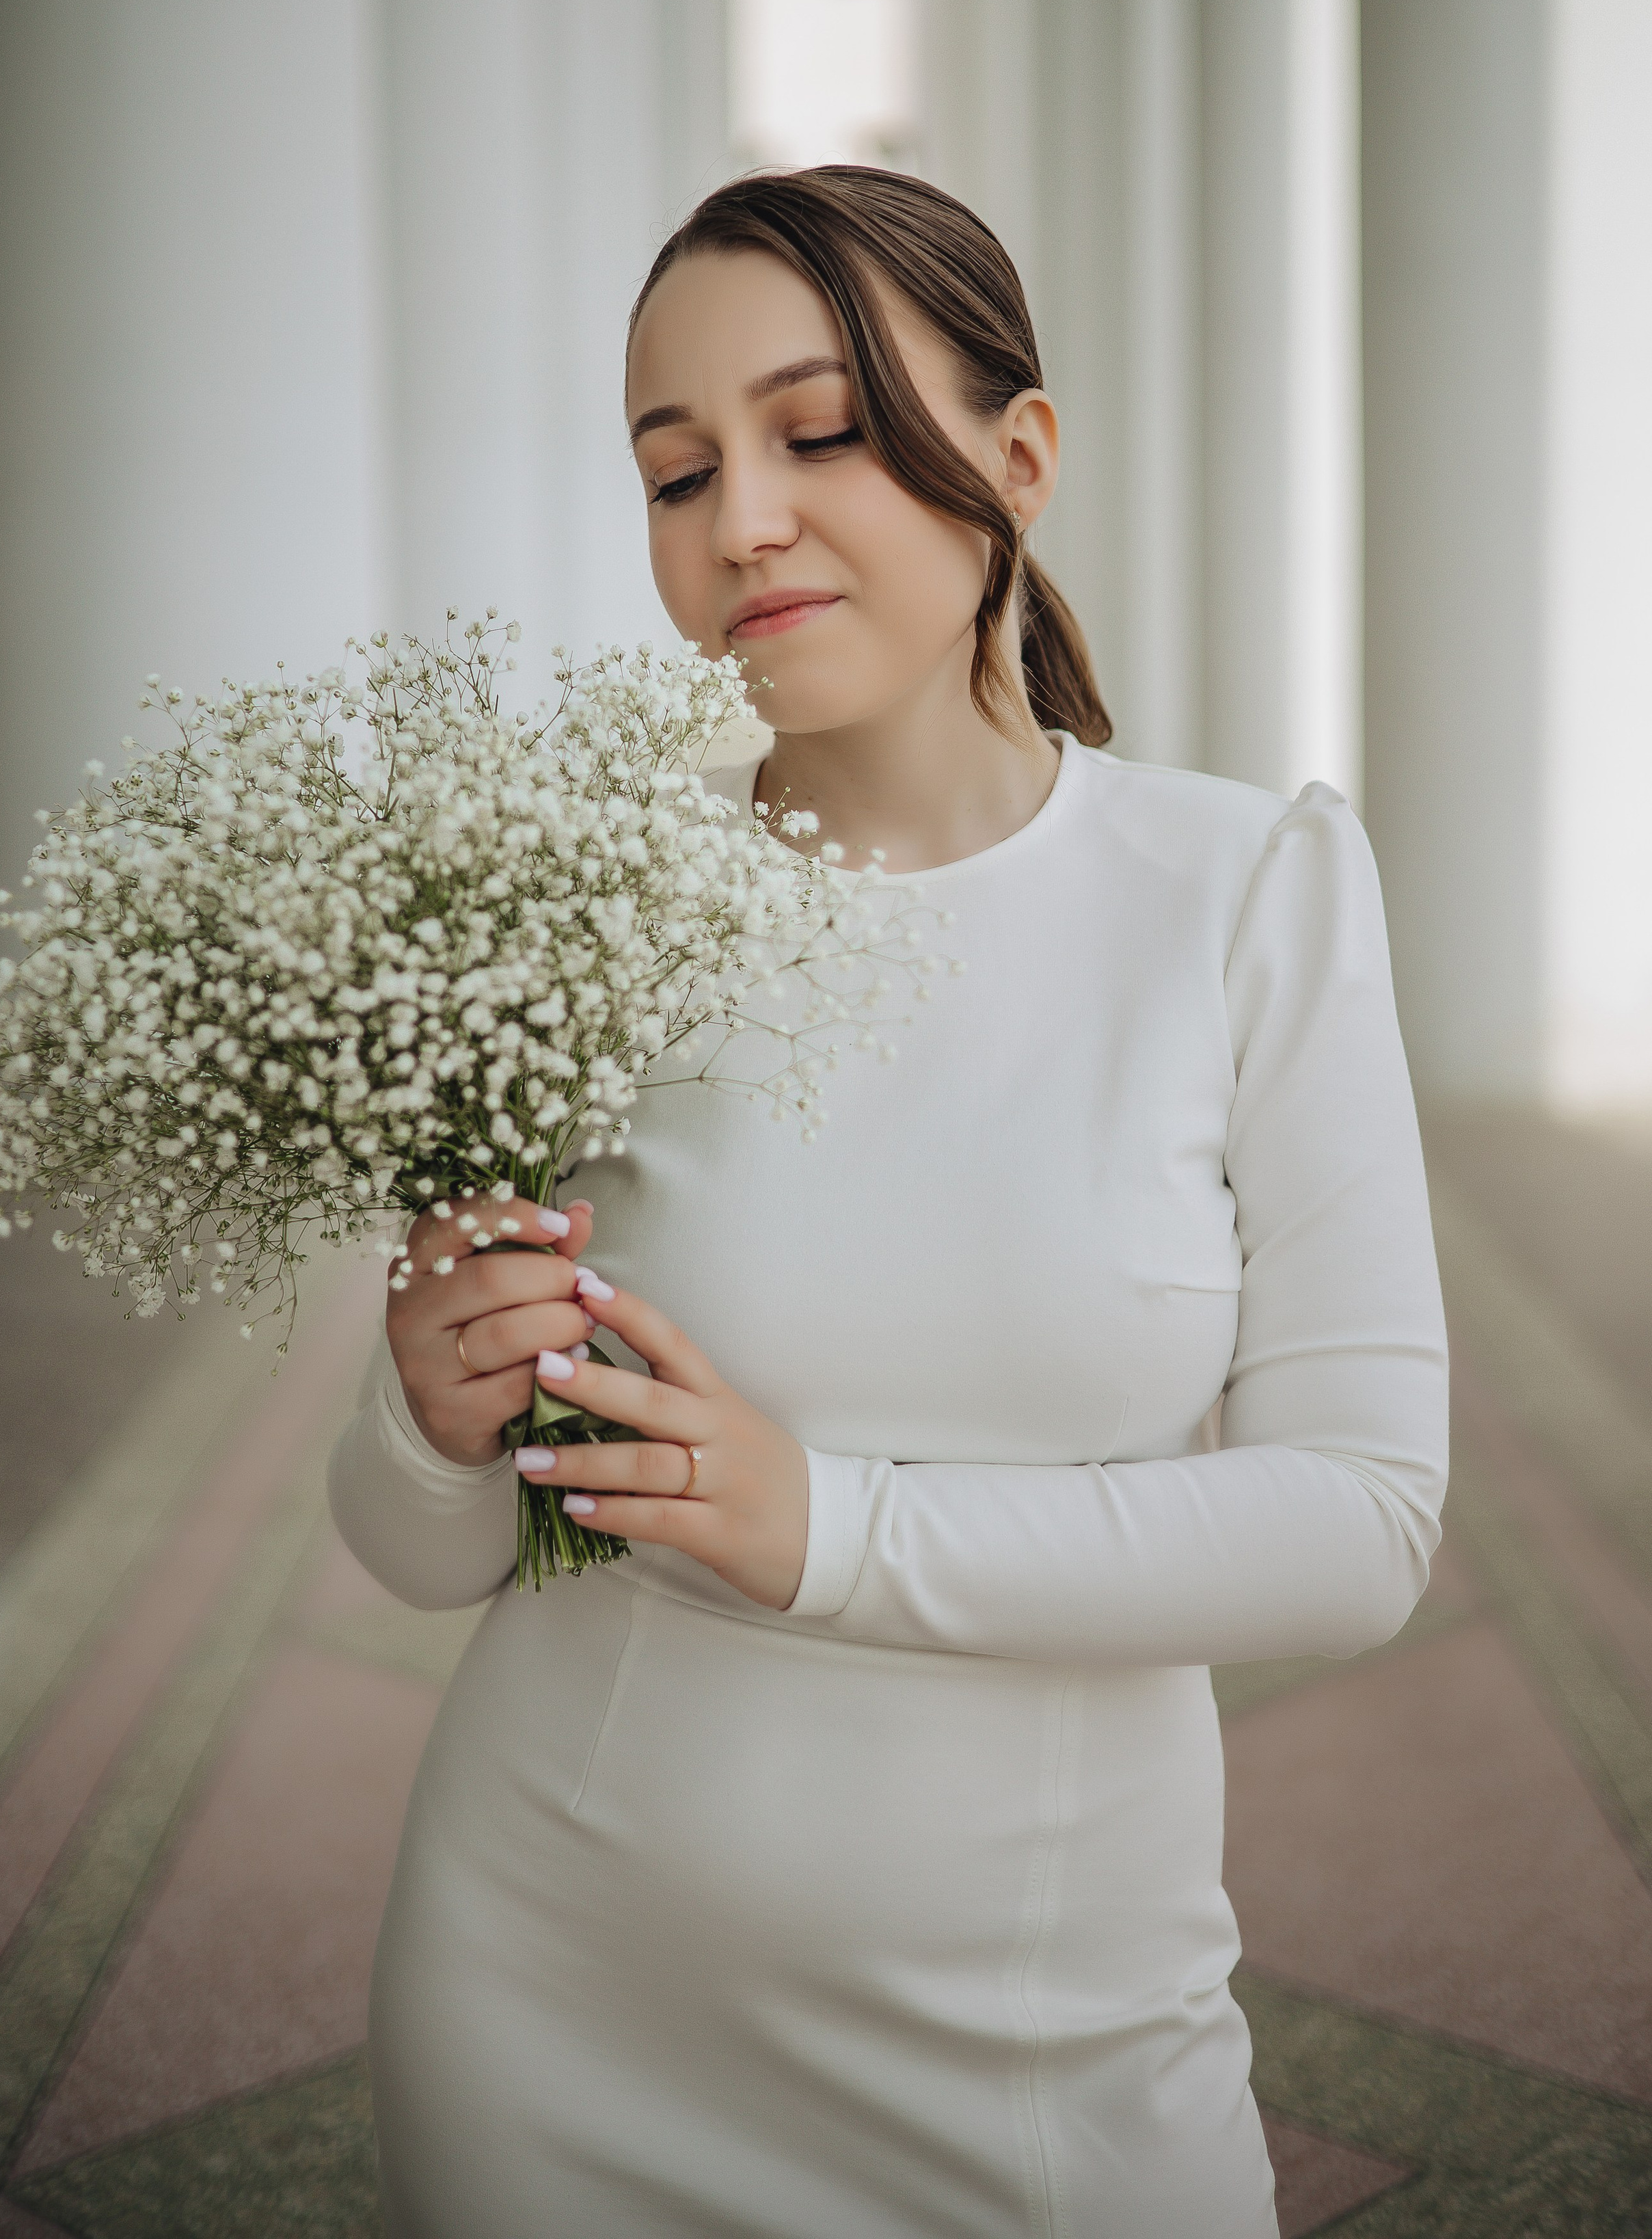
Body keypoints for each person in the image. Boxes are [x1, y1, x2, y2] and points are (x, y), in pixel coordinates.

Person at [327, 165, 1448, 2238]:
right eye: (676, 473)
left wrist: (828, 1531)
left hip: (1060, 2052)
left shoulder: (1246, 893)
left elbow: (1363, 1521)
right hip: (554, 2002)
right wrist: (428, 1409)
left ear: (1018, 455)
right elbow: (431, 1553)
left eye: (815, 432)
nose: (739, 519)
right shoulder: (575, 918)